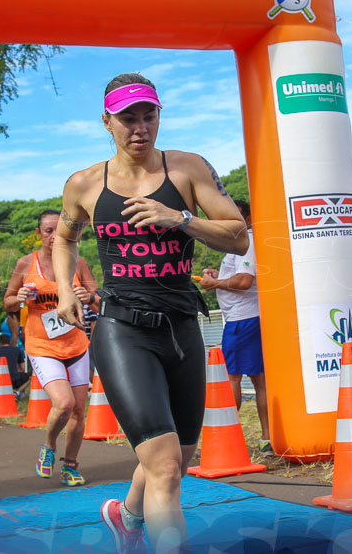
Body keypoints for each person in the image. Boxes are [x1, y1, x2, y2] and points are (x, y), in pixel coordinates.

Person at [54, 73, 248, 553]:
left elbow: (237, 236)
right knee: (163, 468)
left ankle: (126, 515)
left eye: (149, 115)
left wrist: (180, 218)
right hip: (122, 330)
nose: (139, 128)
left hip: (182, 327)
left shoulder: (187, 169)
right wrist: (65, 289)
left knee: (177, 460)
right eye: (127, 118)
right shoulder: (84, 184)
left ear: (159, 116)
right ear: (107, 122)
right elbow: (64, 237)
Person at [4, 209, 99, 488]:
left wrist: (88, 295)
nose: (55, 235)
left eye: (60, 229)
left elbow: (98, 300)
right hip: (42, 345)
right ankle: (48, 446)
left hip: (77, 344)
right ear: (39, 234)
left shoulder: (78, 263)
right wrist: (19, 297)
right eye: (48, 230)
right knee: (64, 403)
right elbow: (7, 302)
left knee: (79, 411)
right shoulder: (25, 264)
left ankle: (70, 466)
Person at [199, 199, 271, 454]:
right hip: (247, 317)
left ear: (249, 218)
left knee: (231, 377)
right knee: (259, 379)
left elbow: (243, 281)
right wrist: (219, 278)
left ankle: (226, 440)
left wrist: (214, 285)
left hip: (244, 318)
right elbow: (240, 278)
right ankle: (266, 437)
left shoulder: (247, 243)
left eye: (237, 216)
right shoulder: (240, 244)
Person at [0, 334, 31, 398]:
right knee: (29, 378)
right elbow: (23, 368)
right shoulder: (17, 350)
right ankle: (17, 392)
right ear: (9, 341)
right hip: (14, 379)